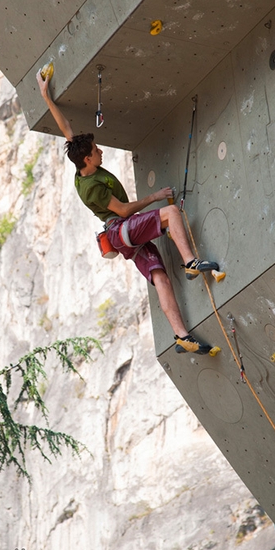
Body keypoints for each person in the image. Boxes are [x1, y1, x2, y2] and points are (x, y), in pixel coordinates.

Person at [36, 70, 219, 354]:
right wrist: (155, 197)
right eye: (96, 151)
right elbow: (122, 209)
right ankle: (191, 262)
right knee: (170, 212)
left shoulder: (80, 165)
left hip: (125, 239)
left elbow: (66, 128)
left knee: (160, 277)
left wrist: (46, 96)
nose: (100, 152)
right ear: (87, 158)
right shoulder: (92, 186)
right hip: (120, 230)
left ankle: (181, 336)